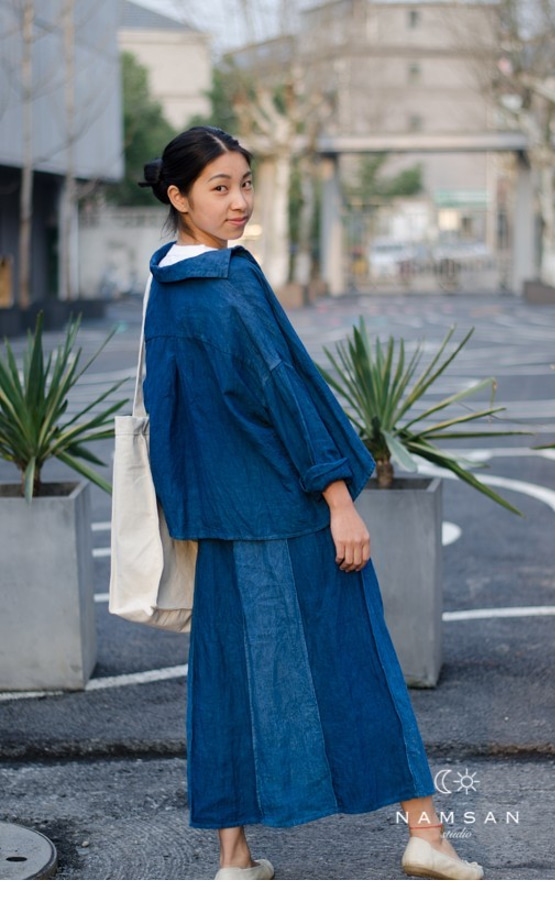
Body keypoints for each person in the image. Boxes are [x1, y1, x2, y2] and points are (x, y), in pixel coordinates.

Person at [139, 125, 484, 881]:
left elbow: (171, 407)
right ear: (178, 196)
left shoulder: (164, 286)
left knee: (227, 677)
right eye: (219, 187)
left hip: (222, 515)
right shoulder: (226, 282)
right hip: (289, 508)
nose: (238, 202)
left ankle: (234, 857)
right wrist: (338, 498)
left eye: (244, 183)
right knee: (356, 659)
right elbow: (282, 389)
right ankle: (425, 833)